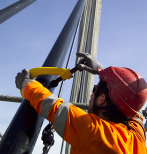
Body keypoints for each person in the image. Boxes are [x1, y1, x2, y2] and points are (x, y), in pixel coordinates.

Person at [15, 52, 147, 154]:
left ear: (102, 100)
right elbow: (133, 103)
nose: (91, 93)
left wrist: (26, 83)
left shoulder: (94, 132)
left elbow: (53, 106)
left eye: (95, 89)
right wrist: (101, 71)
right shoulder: (137, 134)